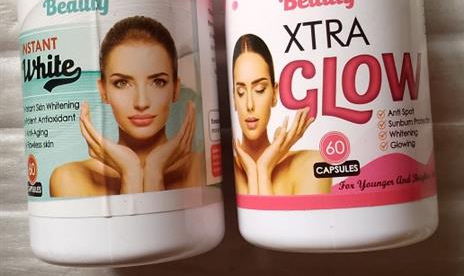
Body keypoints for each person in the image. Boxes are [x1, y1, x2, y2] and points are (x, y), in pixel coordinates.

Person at [50, 16, 203, 197]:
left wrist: (154, 172)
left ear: (176, 89)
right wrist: (130, 174)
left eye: (158, 82)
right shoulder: (70, 178)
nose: (141, 103)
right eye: (122, 83)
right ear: (103, 91)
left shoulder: (200, 168)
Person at [232, 34, 331, 196]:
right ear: (234, 98)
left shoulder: (312, 164)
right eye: (241, 92)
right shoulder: (227, 173)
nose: (250, 105)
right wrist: (252, 172)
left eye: (259, 90)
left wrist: (264, 168)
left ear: (274, 94)